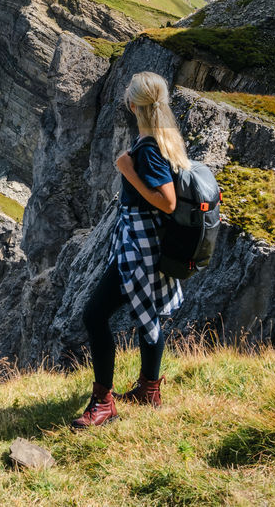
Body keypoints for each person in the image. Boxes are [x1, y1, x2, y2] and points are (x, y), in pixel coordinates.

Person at [72, 71, 189, 429]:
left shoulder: (150, 147)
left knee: (94, 316)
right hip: (149, 245)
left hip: (139, 250)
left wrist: (128, 170)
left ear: (134, 104)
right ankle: (148, 390)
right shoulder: (164, 137)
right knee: (147, 314)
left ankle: (103, 402)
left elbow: (167, 201)